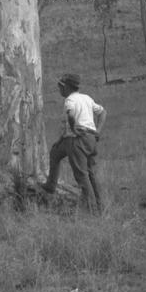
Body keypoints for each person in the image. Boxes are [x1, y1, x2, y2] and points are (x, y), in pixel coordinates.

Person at [41, 73, 107, 213]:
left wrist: (74, 127)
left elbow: (70, 115)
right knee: (57, 153)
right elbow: (102, 112)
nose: (59, 90)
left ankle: (91, 209)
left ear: (67, 87)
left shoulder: (69, 100)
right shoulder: (86, 98)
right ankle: (100, 206)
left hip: (76, 140)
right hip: (90, 139)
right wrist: (98, 131)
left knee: (81, 175)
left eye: (61, 87)